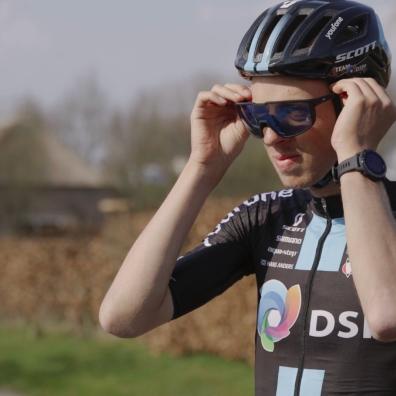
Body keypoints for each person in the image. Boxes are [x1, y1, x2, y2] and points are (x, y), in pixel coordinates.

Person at [100, 0, 396, 394]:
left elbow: (386, 315)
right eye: (258, 116)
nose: (272, 136)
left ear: (352, 104)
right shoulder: (267, 218)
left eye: (292, 114)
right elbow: (123, 317)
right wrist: (202, 169)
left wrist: (357, 155)